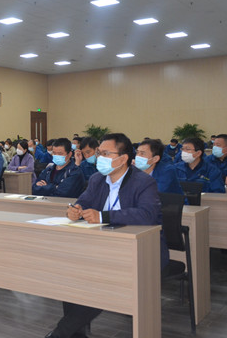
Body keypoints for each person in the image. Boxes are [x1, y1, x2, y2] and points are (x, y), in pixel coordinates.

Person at [46, 133, 168, 338]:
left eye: (105, 153)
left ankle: (60, 334)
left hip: (141, 250)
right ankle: (75, 333)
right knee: (73, 273)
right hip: (102, 246)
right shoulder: (97, 179)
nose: (99, 157)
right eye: (99, 153)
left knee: (102, 282)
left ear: (123, 158)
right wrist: (74, 210)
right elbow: (83, 201)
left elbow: (147, 214)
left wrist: (103, 216)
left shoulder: (143, 182)